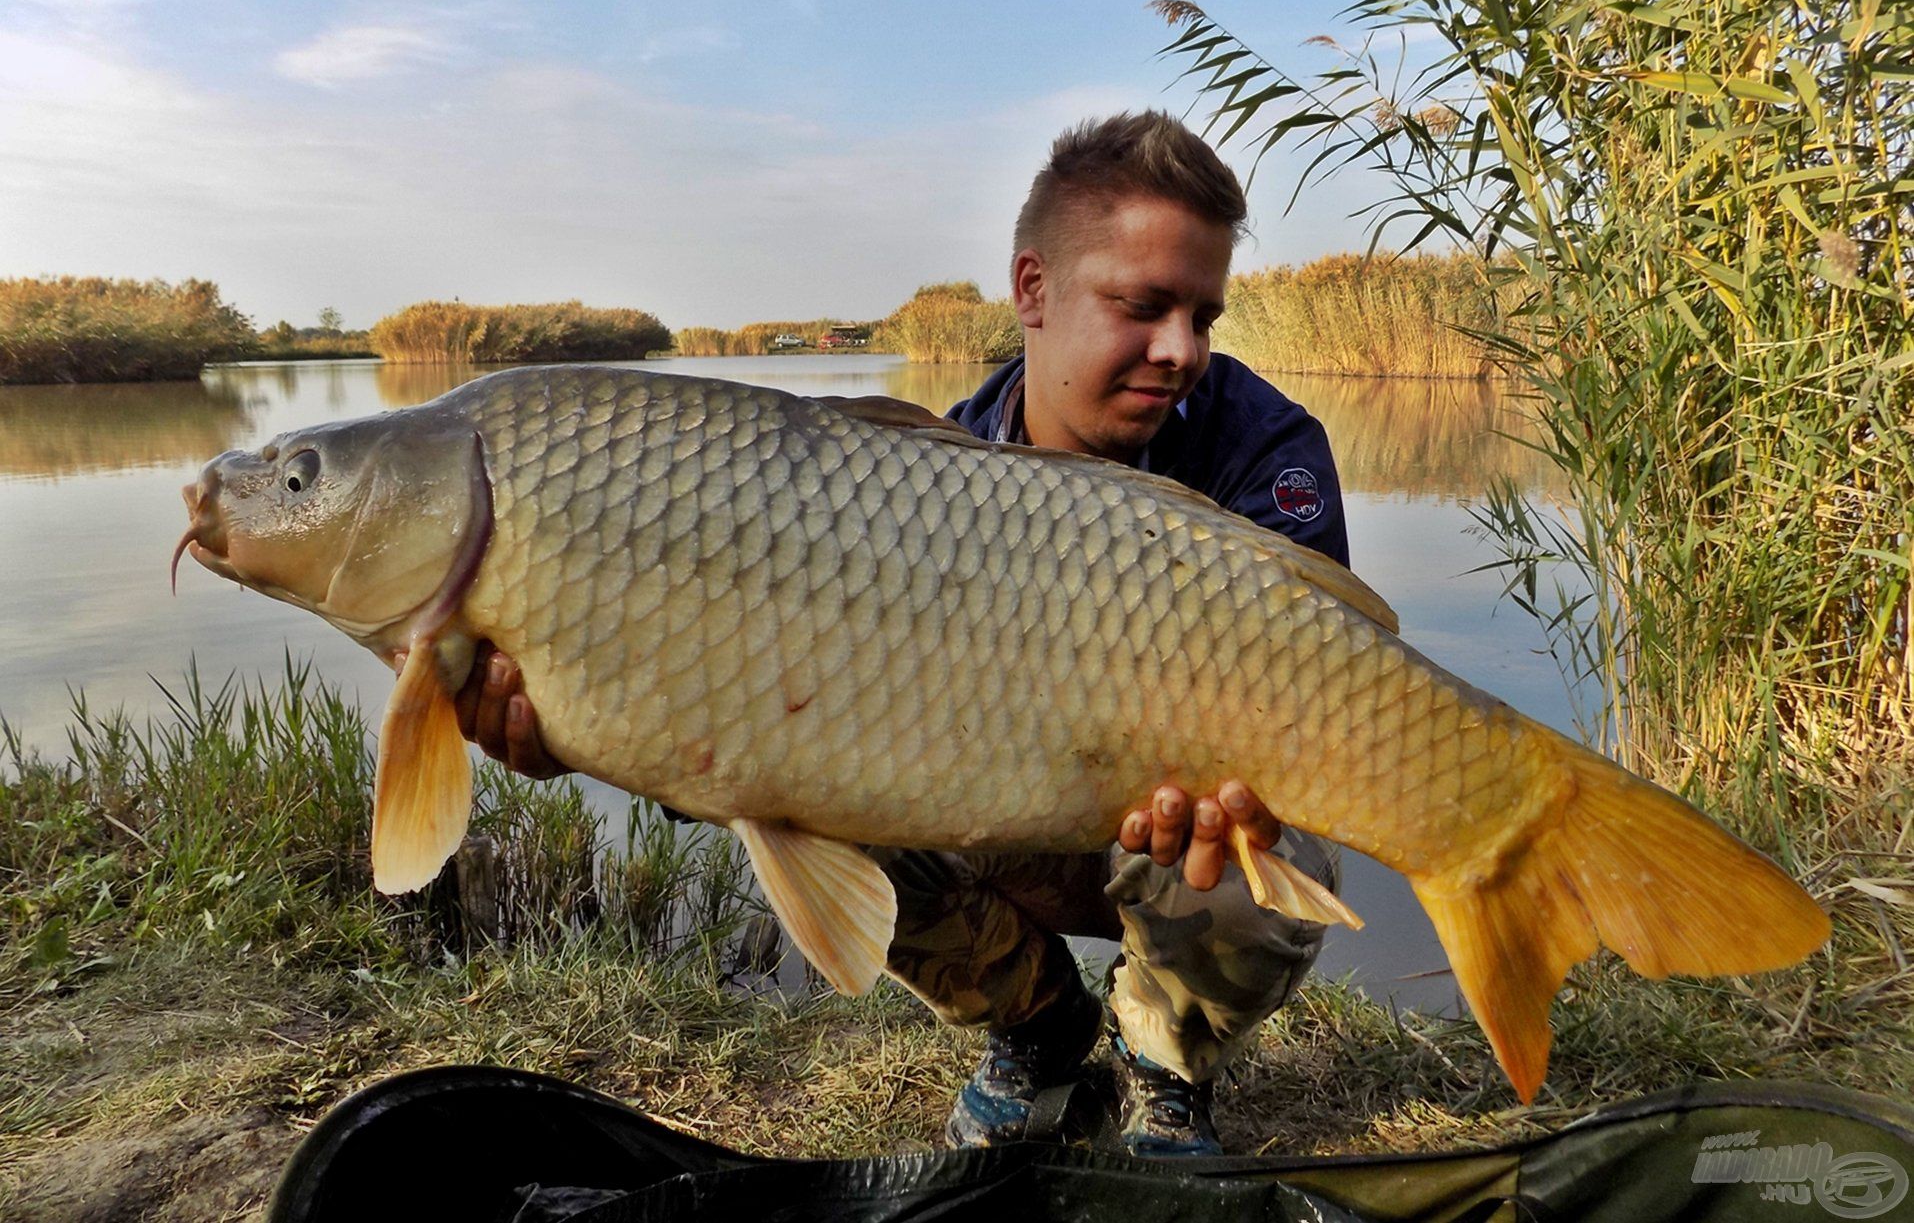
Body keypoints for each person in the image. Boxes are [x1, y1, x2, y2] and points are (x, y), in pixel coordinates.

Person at [454, 111, 1351, 1157]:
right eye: (1143, 307)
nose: (1181, 351)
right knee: (804, 790)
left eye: (1204, 314)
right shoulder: (921, 475)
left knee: (1270, 857)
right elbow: (760, 704)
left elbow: (1324, 699)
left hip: (1165, 824)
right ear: (1033, 290)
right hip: (996, 805)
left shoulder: (1265, 447)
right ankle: (1038, 1032)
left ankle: (1166, 1067)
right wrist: (597, 722)